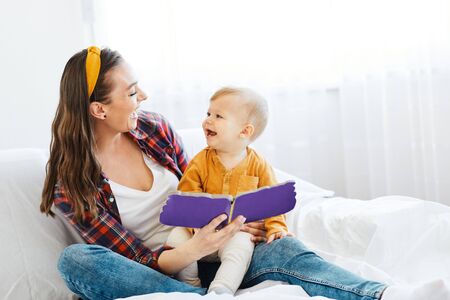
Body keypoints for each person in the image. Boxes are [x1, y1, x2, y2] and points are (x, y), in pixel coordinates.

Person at [41, 46, 388, 300]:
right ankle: (189, 296)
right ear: (99, 109)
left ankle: (376, 294)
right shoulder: (70, 182)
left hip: (219, 252)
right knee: (76, 262)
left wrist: (238, 218)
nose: (144, 96)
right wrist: (192, 249)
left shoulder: (153, 128)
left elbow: (200, 184)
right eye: (132, 93)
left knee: (286, 250)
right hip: (160, 270)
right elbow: (137, 260)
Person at [166, 87, 294, 295]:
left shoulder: (259, 165)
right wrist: (195, 227)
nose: (208, 120)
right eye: (208, 113)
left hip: (233, 234)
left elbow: (272, 203)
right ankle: (190, 286)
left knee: (242, 247)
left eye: (218, 116)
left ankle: (221, 290)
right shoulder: (200, 161)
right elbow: (187, 196)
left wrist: (276, 227)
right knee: (175, 238)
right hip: (199, 236)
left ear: (244, 131)